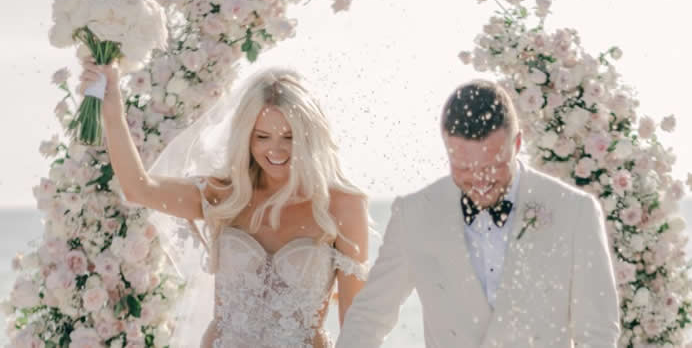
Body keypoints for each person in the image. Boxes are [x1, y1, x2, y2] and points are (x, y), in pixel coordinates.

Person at [78, 61, 370, 348]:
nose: (276, 149)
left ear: (309, 136)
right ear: (247, 138)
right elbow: (139, 188)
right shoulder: (225, 195)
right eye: (263, 137)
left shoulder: (342, 206)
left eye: (289, 137)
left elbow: (356, 327)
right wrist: (113, 104)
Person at [336, 80, 620, 347]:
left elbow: (597, 331)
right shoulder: (413, 214)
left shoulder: (574, 211)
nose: (480, 181)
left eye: (492, 166)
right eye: (464, 168)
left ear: (517, 144)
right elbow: (369, 317)